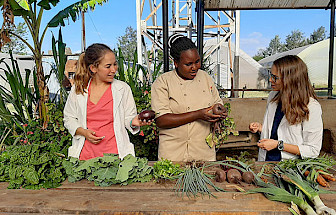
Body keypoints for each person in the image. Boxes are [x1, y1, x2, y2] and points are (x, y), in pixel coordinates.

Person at [63, 43, 151, 160]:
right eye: (108, 66)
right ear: (93, 68)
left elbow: (128, 118)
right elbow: (69, 118)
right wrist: (83, 132)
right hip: (85, 157)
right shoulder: (78, 89)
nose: (114, 69)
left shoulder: (123, 89)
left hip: (116, 156)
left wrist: (134, 122)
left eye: (115, 64)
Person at [151, 34, 224, 162]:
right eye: (188, 64)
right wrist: (198, 114)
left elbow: (217, 103)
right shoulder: (163, 82)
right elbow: (161, 120)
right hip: (173, 155)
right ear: (176, 63)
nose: (194, 67)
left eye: (197, 61)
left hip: (203, 152)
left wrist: (220, 113)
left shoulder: (205, 78)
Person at [249, 55, 323, 161]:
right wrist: (261, 128)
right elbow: (278, 130)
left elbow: (312, 150)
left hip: (289, 167)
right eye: (271, 75)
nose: (270, 80)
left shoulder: (311, 107)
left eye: (275, 77)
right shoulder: (273, 97)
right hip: (266, 160)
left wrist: (278, 145)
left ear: (291, 80)